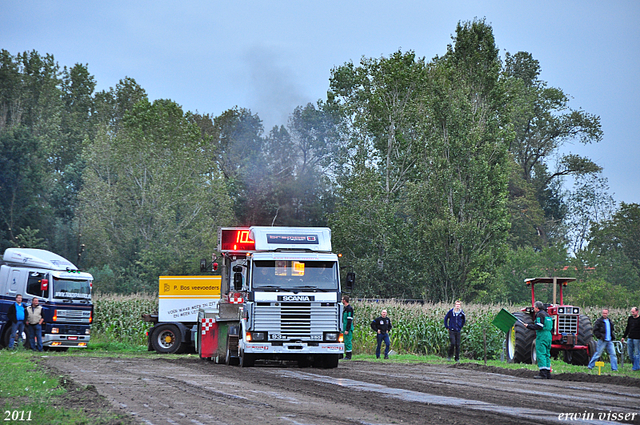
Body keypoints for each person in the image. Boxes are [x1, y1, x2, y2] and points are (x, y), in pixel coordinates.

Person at [524, 300, 553, 379]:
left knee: (541, 353)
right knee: (547, 354)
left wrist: (528, 326)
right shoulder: (548, 315)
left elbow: (539, 326)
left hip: (542, 335)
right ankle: (548, 373)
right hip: (549, 335)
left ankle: (542, 373)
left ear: (537, 308)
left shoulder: (539, 315)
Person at [621, 306, 640, 371]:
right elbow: (627, 328)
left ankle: (635, 367)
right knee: (630, 353)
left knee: (637, 353)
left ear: (637, 312)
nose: (632, 313)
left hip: (637, 338)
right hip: (630, 338)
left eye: (633, 312)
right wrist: (624, 336)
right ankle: (636, 364)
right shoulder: (630, 318)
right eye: (631, 312)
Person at [342, 295, 354, 360]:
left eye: (342, 299)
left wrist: (347, 329)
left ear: (344, 300)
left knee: (348, 341)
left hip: (347, 328)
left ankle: (348, 355)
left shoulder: (349, 309)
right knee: (344, 341)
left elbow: (349, 320)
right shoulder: (344, 308)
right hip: (343, 327)